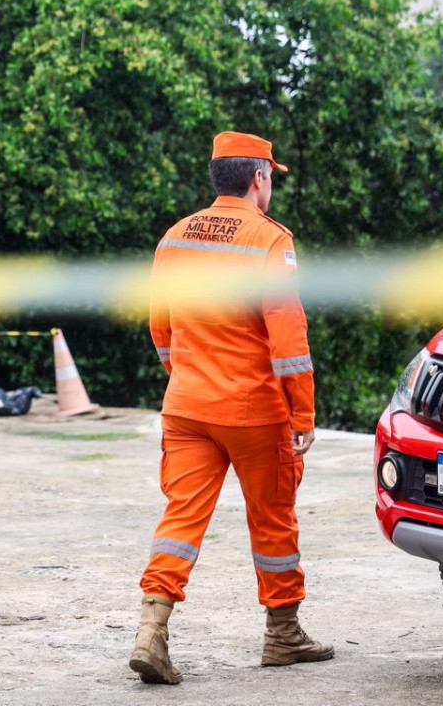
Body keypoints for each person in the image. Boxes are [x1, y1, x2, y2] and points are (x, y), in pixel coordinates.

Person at [130, 132, 332, 686]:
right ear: (259, 177)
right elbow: (288, 338)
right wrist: (303, 415)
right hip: (253, 411)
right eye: (271, 177)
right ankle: (283, 635)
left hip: (187, 404)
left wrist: (186, 377)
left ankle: (150, 632)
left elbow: (160, 327)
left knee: (180, 519)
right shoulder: (269, 240)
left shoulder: (175, 237)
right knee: (273, 519)